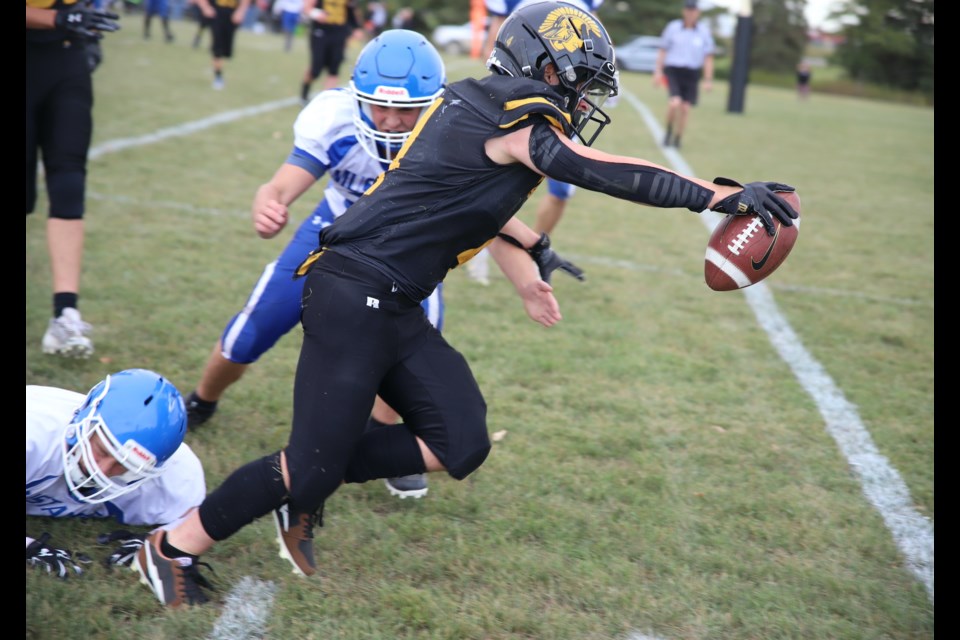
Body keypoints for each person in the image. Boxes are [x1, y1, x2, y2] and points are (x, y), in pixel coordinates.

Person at [132, 1, 797, 607]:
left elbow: (459, 203)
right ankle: (172, 546)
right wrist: (717, 196)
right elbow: (598, 169)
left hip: (394, 301)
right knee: (309, 462)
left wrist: (533, 251)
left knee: (462, 441)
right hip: (349, 293)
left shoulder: (477, 107)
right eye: (579, 80)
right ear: (542, 66)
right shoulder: (511, 119)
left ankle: (304, 489)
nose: (583, 98)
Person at [184, 29, 447, 500]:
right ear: (357, 97)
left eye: (404, 110)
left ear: (430, 105)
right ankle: (203, 401)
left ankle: (382, 435)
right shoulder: (335, 117)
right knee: (257, 323)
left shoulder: (452, 132)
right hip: (335, 227)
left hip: (407, 244)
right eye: (378, 106)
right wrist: (268, 203)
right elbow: (280, 185)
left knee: (413, 346)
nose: (388, 122)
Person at [27, 369, 207, 595]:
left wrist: (159, 540)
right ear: (84, 421)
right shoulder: (33, 433)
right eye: (102, 450)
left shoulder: (178, 476)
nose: (101, 470)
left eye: (125, 465)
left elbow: (191, 519)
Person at [467, 0, 605, 285]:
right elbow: (499, 29)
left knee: (562, 189)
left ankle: (532, 252)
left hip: (563, 91)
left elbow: (593, 34)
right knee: (491, 178)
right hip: (519, 88)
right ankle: (479, 245)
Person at [27, 1, 120, 359]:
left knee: (69, 182)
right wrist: (57, 17)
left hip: (68, 58)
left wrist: (87, 23)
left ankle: (65, 313)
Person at [653, 0, 715, 149]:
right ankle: (668, 131)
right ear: (684, 11)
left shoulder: (703, 32)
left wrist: (708, 79)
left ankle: (678, 137)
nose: (690, 13)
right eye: (688, 10)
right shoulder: (673, 27)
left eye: (693, 10)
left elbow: (708, 57)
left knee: (685, 108)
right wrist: (658, 71)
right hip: (674, 70)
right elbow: (663, 50)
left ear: (697, 12)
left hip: (692, 73)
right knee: (674, 103)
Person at [299, 0, 361, 104]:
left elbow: (351, 9)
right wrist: (315, 14)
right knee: (315, 70)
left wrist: (356, 27)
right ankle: (304, 92)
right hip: (320, 32)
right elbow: (306, 7)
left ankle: (325, 102)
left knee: (334, 69)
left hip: (339, 33)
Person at [194, 0, 252, 90]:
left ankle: (218, 69)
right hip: (216, 13)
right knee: (217, 48)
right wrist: (205, 7)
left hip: (231, 13)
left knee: (226, 51)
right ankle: (218, 76)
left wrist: (241, 11)